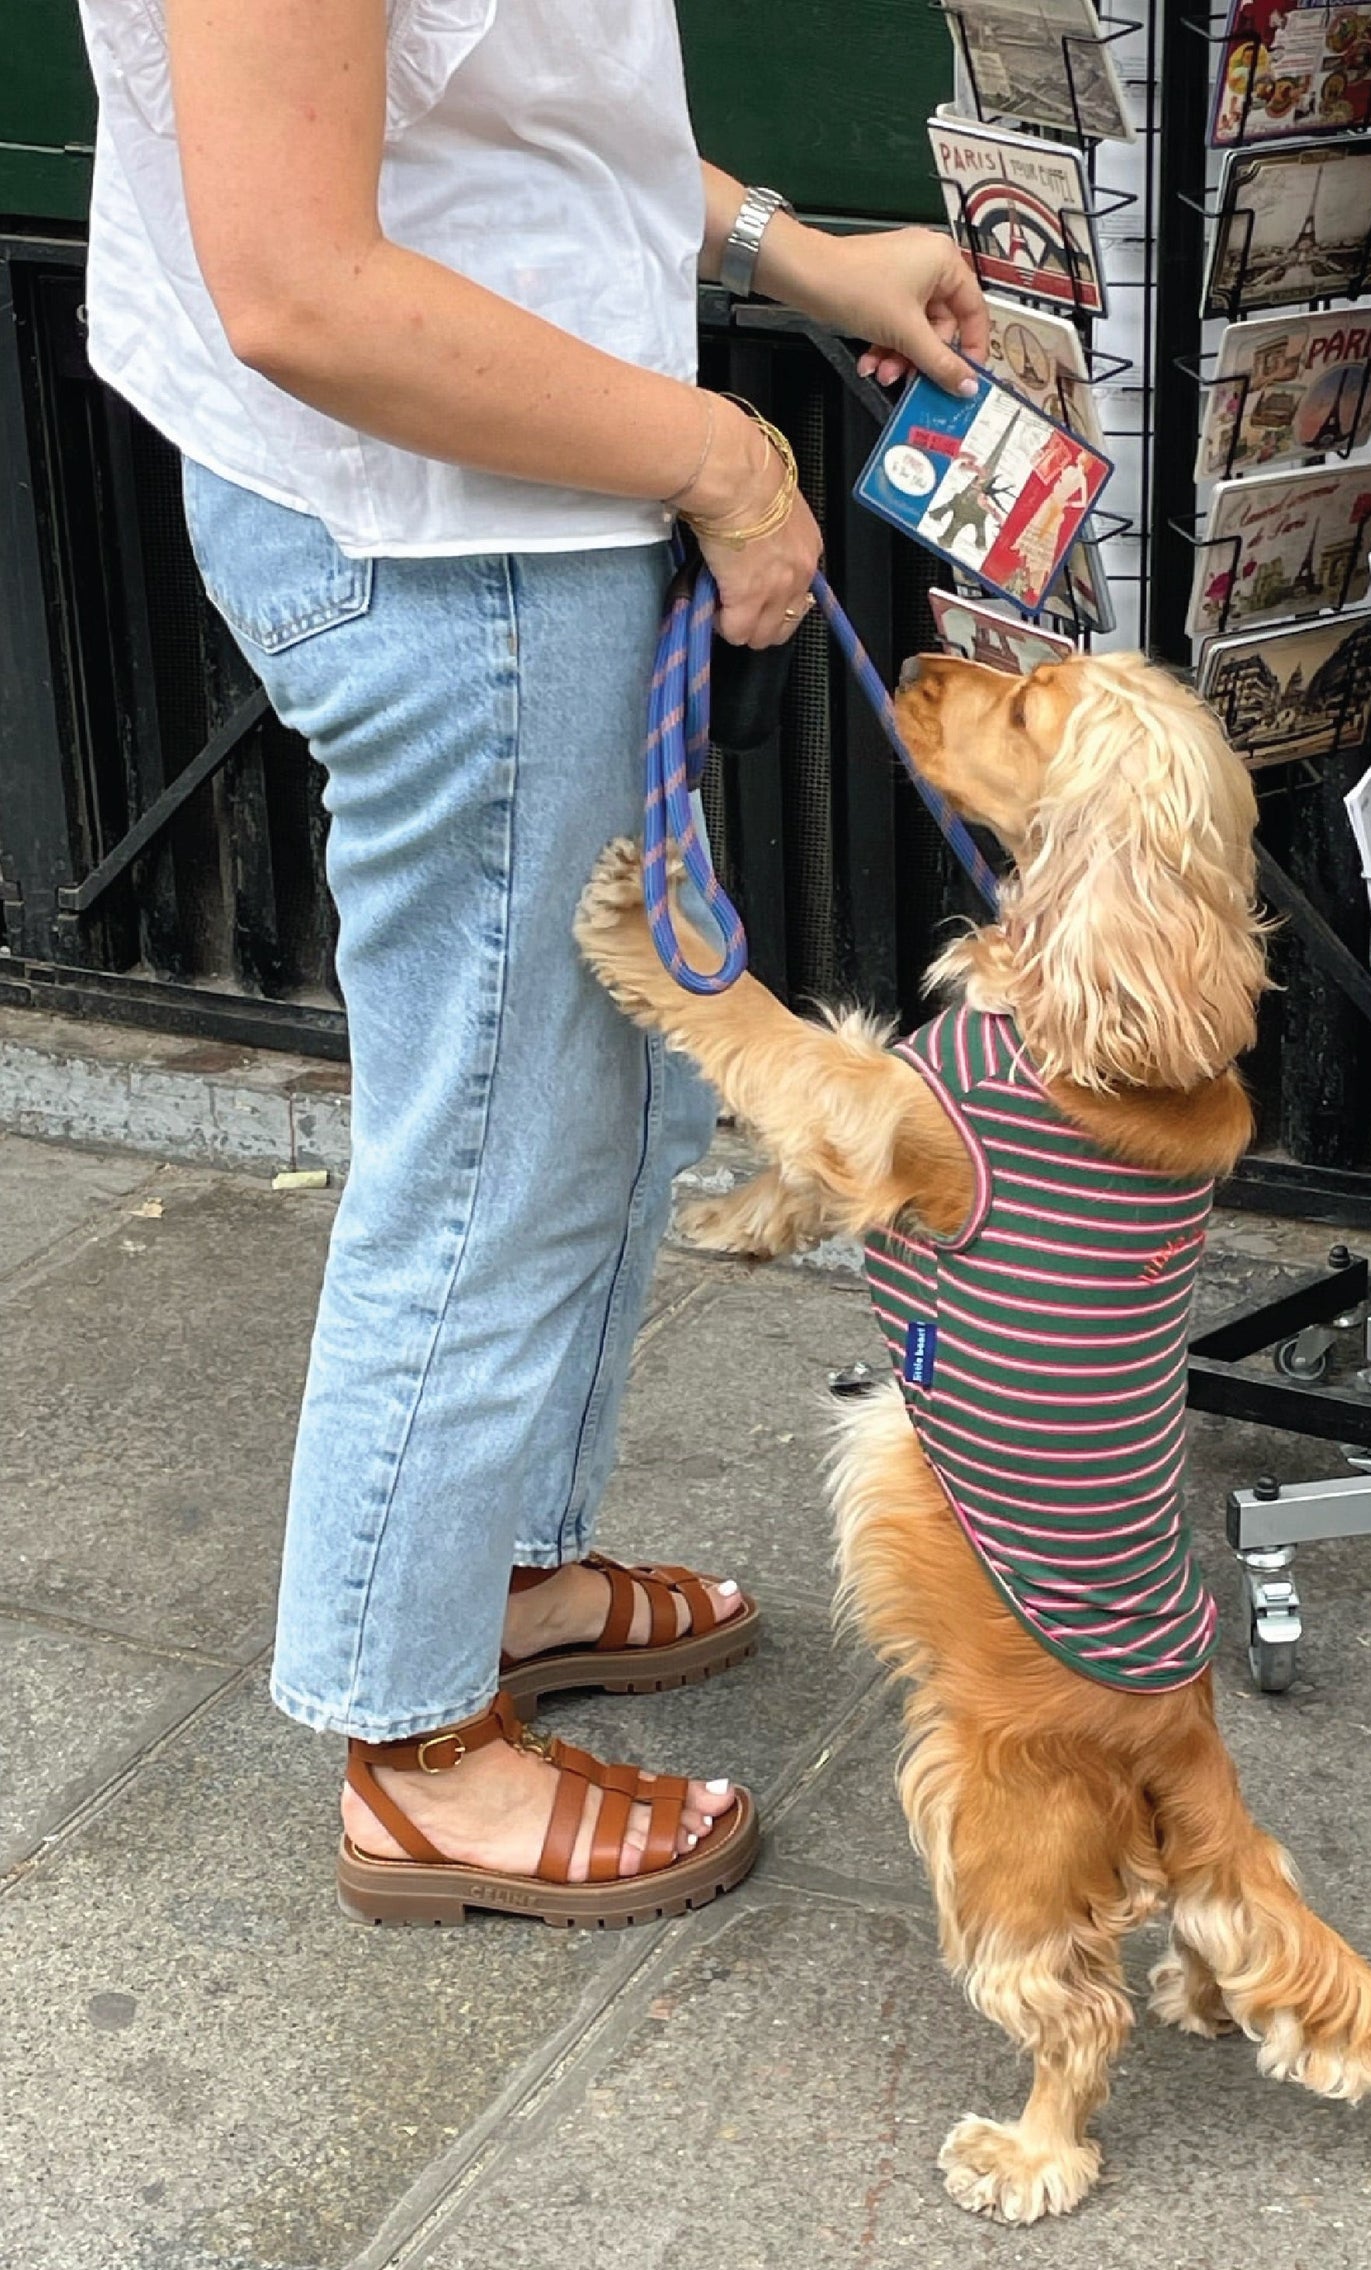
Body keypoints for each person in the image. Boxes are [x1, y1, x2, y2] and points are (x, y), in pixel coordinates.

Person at [75, 0, 989, 1922]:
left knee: (597, 1100)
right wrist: (724, 465)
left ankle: (483, 1570)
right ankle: (414, 1744)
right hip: (445, 535)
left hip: (498, 499)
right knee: (500, 1137)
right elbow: (300, 284)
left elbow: (506, 122)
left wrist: (785, 253)